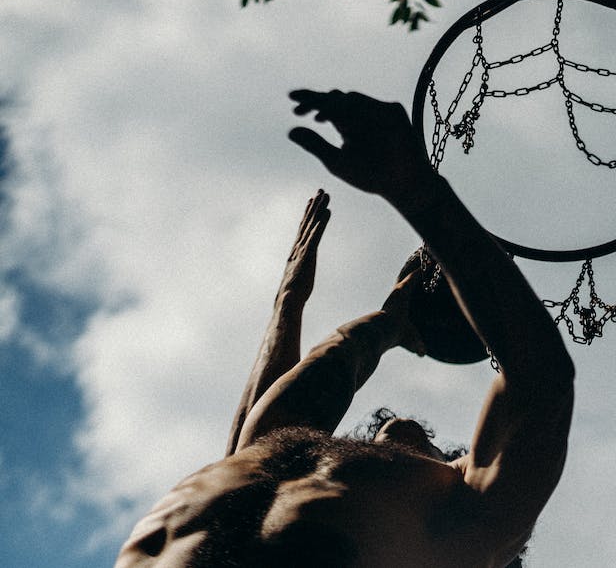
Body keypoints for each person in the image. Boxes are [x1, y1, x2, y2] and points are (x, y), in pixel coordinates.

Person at [115, 90, 575, 567]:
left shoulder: (475, 523)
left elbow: (541, 378)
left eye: (437, 447)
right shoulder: (289, 465)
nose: (402, 428)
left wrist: (418, 190)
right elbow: (273, 421)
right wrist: (296, 305)